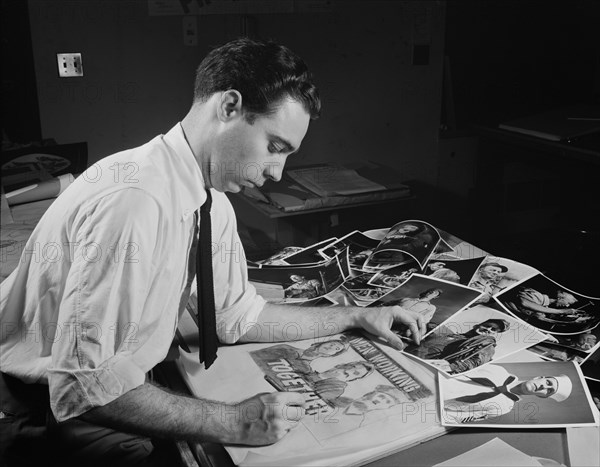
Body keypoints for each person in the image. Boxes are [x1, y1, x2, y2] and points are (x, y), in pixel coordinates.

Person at [0, 37, 427, 465]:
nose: (276, 172)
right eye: (274, 147)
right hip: (41, 411)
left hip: (109, 384)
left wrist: (357, 316)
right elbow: (83, 387)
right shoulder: (135, 203)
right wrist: (236, 422)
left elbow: (237, 317)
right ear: (228, 108)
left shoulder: (211, 200)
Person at [442, 364, 573, 423]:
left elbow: (458, 417)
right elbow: (457, 368)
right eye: (548, 382)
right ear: (540, 377)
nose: (543, 386)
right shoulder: (498, 370)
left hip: (432, 402)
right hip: (433, 379)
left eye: (548, 391)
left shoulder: (504, 408)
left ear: (542, 396)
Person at [410, 319, 510, 374]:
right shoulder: (451, 335)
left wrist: (447, 367)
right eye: (487, 325)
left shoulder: (486, 345)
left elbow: (474, 362)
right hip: (407, 355)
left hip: (422, 369)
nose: (488, 329)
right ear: (476, 325)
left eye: (493, 330)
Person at [303, 361, 375, 407]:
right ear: (340, 365)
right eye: (352, 367)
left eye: (356, 373)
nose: (349, 371)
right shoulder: (307, 369)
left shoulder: (335, 388)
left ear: (353, 379)